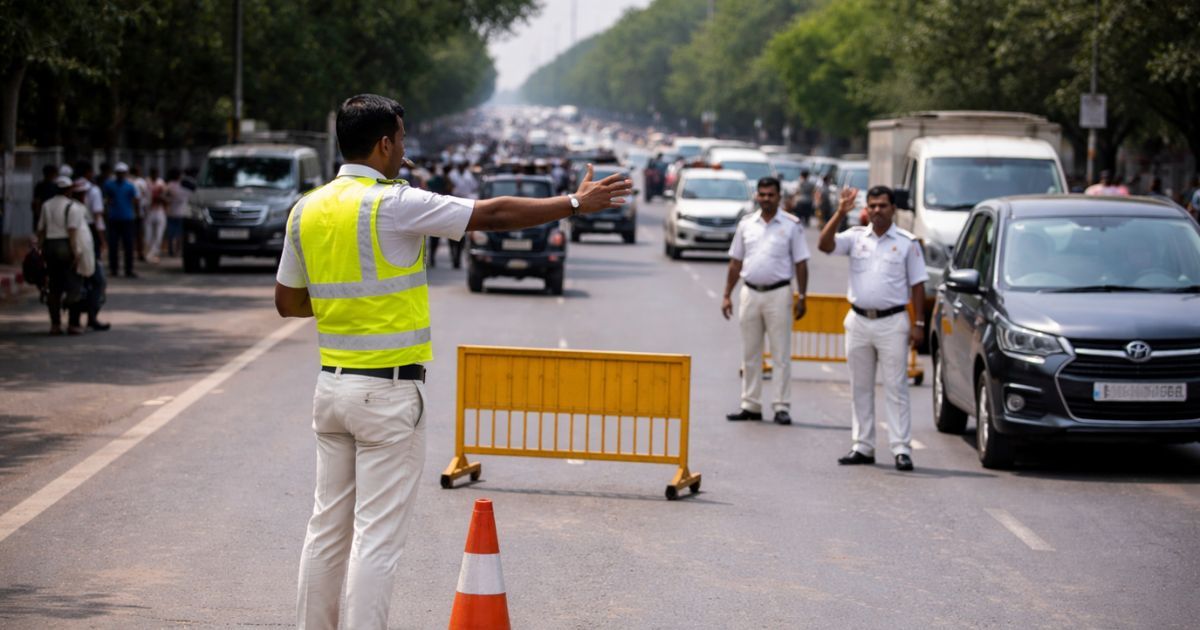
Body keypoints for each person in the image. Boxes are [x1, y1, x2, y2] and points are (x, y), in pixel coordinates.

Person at [274, 94, 631, 630]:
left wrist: (342, 301)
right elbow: (492, 213)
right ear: (384, 143)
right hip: (389, 394)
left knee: (326, 530)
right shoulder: (392, 203)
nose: (405, 151)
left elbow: (288, 302)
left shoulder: (307, 208)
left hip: (332, 388)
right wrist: (575, 204)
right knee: (376, 538)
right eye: (401, 138)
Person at [818, 185, 927, 472]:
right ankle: (863, 446)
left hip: (893, 322)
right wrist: (841, 211)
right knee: (860, 387)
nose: (877, 211)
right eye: (873, 206)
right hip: (859, 321)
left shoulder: (907, 242)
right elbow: (824, 245)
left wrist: (919, 324)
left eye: (883, 206)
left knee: (896, 387)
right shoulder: (855, 238)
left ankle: (901, 448)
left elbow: (918, 285)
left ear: (893, 209)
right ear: (866, 209)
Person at [721, 176, 810, 425]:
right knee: (750, 352)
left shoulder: (792, 225)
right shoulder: (746, 224)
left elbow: (801, 262)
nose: (766, 199)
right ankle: (750, 404)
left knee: (780, 353)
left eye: (771, 194)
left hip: (779, 293)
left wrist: (802, 296)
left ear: (779, 196)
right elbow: (736, 262)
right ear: (757, 196)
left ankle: (781, 405)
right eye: (762, 194)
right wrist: (727, 294)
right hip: (750, 292)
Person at [36, 176, 89, 335]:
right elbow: (72, 232)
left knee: (54, 287)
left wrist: (40, 250)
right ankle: (73, 324)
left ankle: (55, 325)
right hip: (65, 246)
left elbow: (41, 230)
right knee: (74, 284)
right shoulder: (72, 206)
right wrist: (76, 253)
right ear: (69, 190)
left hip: (49, 246)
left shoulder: (46, 204)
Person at [71, 177, 110, 331]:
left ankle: (88, 317)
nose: (84, 195)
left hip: (85, 252)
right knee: (96, 282)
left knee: (84, 284)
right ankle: (85, 319)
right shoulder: (75, 209)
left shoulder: (79, 208)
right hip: (81, 253)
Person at [102, 162, 141, 278]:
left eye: (122, 173)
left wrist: (137, 215)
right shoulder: (109, 185)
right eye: (118, 173)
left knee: (128, 245)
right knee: (113, 245)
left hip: (127, 218)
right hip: (113, 218)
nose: (120, 175)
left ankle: (128, 269)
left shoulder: (130, 186)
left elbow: (135, 201)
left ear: (126, 173)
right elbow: (105, 199)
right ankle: (114, 269)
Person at [163, 168, 190, 256]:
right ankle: (178, 250)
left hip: (171, 211)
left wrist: (169, 200)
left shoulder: (168, 185)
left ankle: (171, 249)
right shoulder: (182, 186)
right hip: (181, 212)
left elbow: (163, 196)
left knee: (171, 233)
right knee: (179, 233)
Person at [143, 167, 167, 262]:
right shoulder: (146, 183)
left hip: (159, 211)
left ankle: (154, 254)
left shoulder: (161, 183)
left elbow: (165, 196)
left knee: (158, 234)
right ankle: (147, 253)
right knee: (148, 235)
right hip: (149, 211)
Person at [31, 164, 60, 234]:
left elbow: (35, 202)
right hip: (49, 215)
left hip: (43, 215)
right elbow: (36, 202)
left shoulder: (40, 185)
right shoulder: (54, 187)